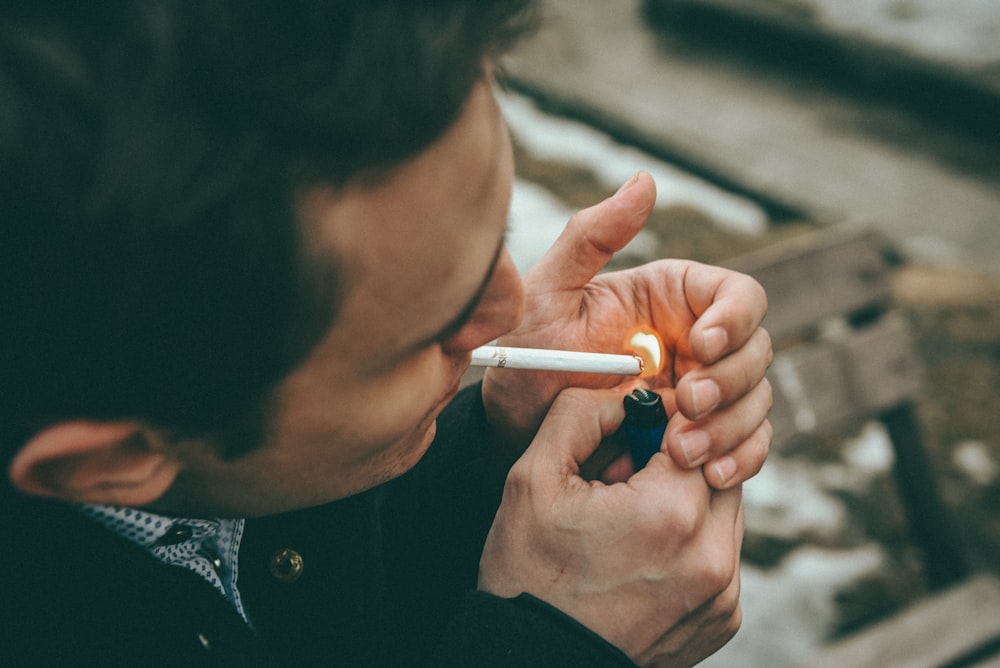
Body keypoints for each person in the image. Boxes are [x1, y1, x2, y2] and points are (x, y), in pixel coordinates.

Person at [0, 2, 772, 666]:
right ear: (121, 457)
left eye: (493, 240)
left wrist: (496, 449)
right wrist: (553, 646)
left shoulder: (235, 436)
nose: (507, 310)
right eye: (431, 328)